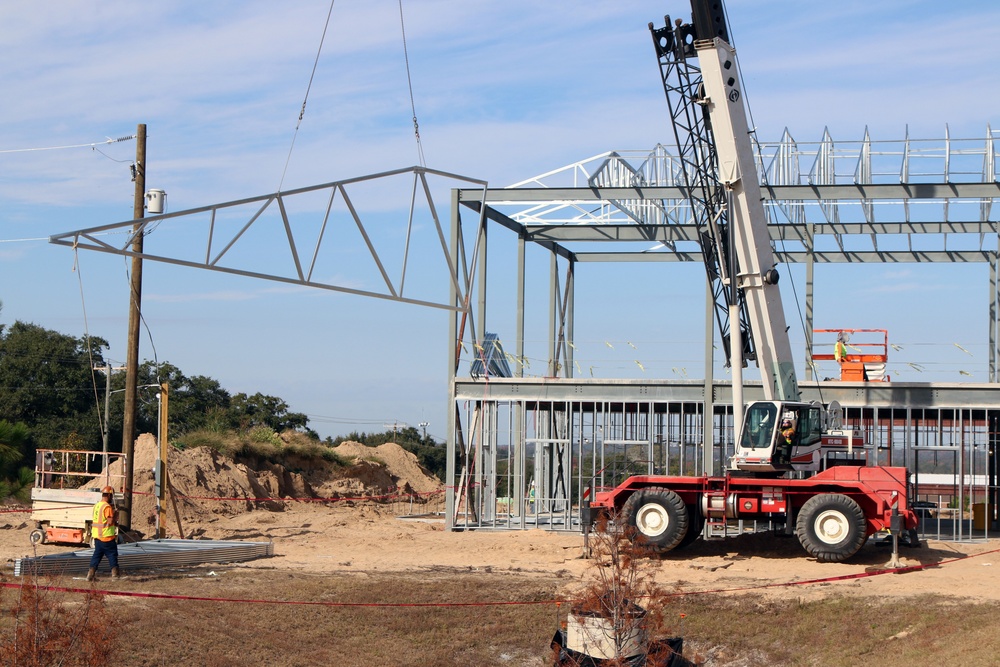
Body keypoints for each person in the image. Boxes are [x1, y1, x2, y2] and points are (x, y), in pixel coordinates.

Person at [87, 486, 120, 581]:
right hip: (107, 537)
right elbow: (109, 522)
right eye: (111, 496)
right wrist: (115, 516)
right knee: (112, 555)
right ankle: (115, 575)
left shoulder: (97, 506)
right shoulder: (107, 507)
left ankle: (90, 574)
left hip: (97, 537)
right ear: (109, 495)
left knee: (97, 555)